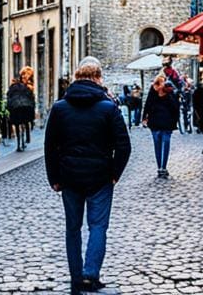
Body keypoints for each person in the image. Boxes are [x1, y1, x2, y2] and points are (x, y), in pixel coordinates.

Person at [45, 57, 131, 294]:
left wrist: (54, 177)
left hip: (69, 177)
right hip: (100, 177)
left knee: (72, 228)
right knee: (98, 226)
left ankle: (76, 275)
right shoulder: (109, 108)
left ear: (76, 77)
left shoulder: (60, 108)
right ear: (98, 78)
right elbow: (124, 145)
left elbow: (50, 146)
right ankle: (90, 273)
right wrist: (114, 173)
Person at [142, 74, 179, 177]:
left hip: (166, 123)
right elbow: (148, 105)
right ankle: (160, 167)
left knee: (163, 145)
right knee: (158, 145)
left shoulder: (169, 92)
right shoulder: (153, 92)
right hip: (156, 123)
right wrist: (144, 117)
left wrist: (168, 93)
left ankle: (162, 167)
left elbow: (175, 107)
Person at [7, 70, 36, 152]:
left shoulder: (12, 87)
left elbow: (9, 97)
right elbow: (31, 98)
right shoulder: (26, 87)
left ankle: (19, 143)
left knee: (17, 125)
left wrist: (9, 108)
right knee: (25, 122)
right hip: (25, 107)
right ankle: (25, 140)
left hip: (15, 107)